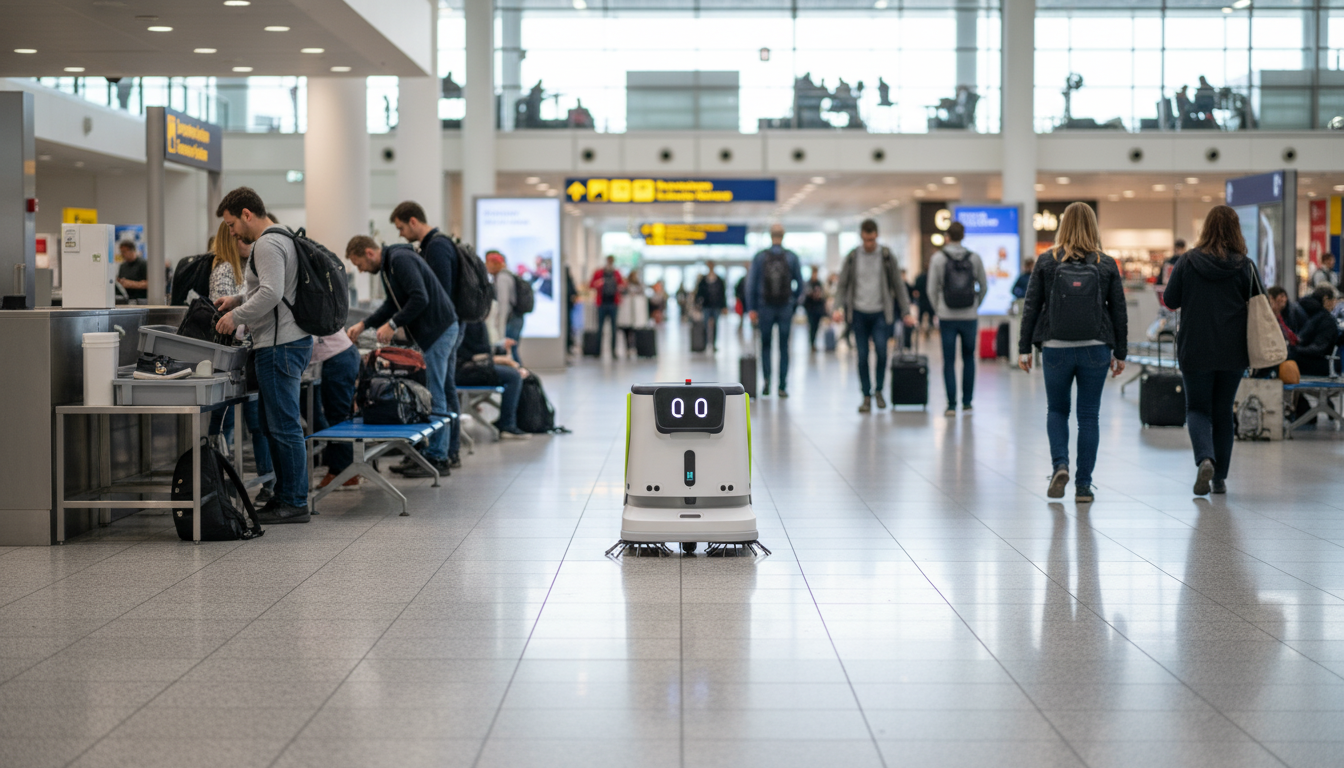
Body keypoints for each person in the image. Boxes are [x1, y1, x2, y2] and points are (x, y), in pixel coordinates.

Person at [213, 187, 312, 524]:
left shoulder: (268, 243)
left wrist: (235, 317)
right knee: (275, 425)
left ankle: (295, 501)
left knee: (283, 425)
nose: (231, 231)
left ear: (246, 214)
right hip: (284, 341)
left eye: (230, 224)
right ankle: (285, 496)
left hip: (279, 344)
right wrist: (237, 301)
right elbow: (268, 288)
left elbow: (271, 292)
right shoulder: (281, 237)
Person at [1018, 202, 1128, 503]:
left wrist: (1024, 347)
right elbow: (1118, 310)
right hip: (1096, 347)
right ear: (1094, 227)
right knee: (1089, 416)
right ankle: (1083, 486)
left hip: (1055, 347)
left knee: (1057, 410)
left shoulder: (1047, 261)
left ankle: (1060, 466)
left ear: (1062, 226)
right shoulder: (1105, 263)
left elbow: (1031, 306)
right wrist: (1121, 352)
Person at [1162, 204, 1259, 496]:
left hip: (1196, 347)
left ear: (1206, 228)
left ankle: (1205, 458)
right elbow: (1260, 306)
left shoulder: (1188, 261)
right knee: (1222, 412)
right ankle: (1219, 479)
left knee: (1197, 409)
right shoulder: (1245, 265)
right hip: (1232, 351)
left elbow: (1169, 300)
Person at [345, 236, 456, 477]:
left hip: (440, 330)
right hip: (435, 332)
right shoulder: (390, 265)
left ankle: (439, 457)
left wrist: (392, 325)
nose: (361, 270)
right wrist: (364, 324)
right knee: (434, 390)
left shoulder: (399, 259)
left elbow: (420, 297)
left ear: (369, 253)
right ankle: (430, 453)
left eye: (360, 264)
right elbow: (392, 305)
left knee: (435, 392)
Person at [390, 201, 463, 469]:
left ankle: (443, 452)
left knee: (442, 389)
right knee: (443, 387)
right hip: (446, 326)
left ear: (413, 221)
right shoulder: (434, 245)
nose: (400, 234)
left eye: (400, 228)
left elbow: (437, 294)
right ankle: (444, 450)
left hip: (444, 327)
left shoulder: (437, 247)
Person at [834, 219, 914, 412]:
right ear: (861, 236)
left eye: (872, 239)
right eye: (865, 239)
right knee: (861, 356)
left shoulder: (886, 256)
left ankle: (878, 390)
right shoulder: (852, 257)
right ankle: (866, 396)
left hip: (880, 313)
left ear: (876, 236)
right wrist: (837, 307)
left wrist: (906, 311)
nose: (869, 244)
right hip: (858, 314)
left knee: (881, 352)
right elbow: (842, 284)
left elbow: (898, 285)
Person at [926, 221, 989, 416]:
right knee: (969, 358)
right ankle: (967, 402)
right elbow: (984, 286)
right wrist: (975, 306)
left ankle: (951, 404)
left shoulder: (938, 258)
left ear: (947, 236)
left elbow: (931, 289)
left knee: (949, 360)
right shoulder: (974, 258)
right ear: (963, 236)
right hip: (969, 316)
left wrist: (939, 309)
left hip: (947, 317)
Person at [747, 223, 805, 398]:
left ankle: (766, 383)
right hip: (785, 308)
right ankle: (782, 386)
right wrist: (793, 303)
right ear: (783, 236)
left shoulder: (760, 257)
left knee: (765, 345)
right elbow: (801, 285)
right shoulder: (792, 257)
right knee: (784, 347)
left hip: (765, 307)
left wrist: (752, 308)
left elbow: (751, 284)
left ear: (770, 236)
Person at [456, 320, 531, 439]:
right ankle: (507, 425)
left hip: (472, 367)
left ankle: (509, 421)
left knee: (518, 374)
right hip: (466, 370)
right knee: (514, 376)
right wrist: (502, 360)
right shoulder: (469, 322)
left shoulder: (474, 321)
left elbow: (482, 351)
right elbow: (473, 355)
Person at [312, 330, 361, 489]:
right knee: (334, 417)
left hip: (338, 357)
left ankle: (344, 472)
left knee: (338, 418)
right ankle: (340, 469)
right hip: (337, 357)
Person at [1288, 285, 1341, 377]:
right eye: (1333, 300)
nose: (1335, 304)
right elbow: (1319, 347)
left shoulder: (1303, 310)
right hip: (1321, 364)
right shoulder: (1326, 319)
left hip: (1302, 356)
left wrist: (1294, 349)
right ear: (1326, 299)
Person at [485, 251, 523, 363]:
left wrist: (500, 330)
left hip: (510, 320)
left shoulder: (502, 278)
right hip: (514, 319)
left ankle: (521, 377)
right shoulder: (506, 276)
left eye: (488, 263)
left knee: (510, 351)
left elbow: (503, 304)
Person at [589, 256, 624, 357]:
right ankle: (597, 351)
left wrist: (619, 287)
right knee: (599, 328)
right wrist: (598, 284)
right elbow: (591, 285)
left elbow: (622, 285)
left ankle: (613, 351)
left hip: (613, 303)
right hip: (602, 304)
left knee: (613, 329)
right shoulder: (599, 273)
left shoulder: (616, 273)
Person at [694, 261, 729, 352]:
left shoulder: (719, 280)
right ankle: (705, 344)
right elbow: (699, 293)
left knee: (715, 326)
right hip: (706, 306)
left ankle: (713, 344)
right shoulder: (703, 280)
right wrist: (697, 304)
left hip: (716, 306)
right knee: (705, 325)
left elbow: (722, 294)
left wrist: (724, 306)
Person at [618, 270, 648, 355]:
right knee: (626, 331)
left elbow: (642, 295)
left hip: (636, 312)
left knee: (635, 331)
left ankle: (634, 347)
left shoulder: (639, 285)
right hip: (626, 312)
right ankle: (628, 348)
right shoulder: (626, 285)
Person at [803, 267, 828, 351]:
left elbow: (823, 296)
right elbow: (805, 296)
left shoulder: (819, 283)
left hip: (818, 309)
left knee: (816, 327)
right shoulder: (808, 283)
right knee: (811, 326)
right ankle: (812, 343)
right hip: (810, 309)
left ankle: (814, 343)